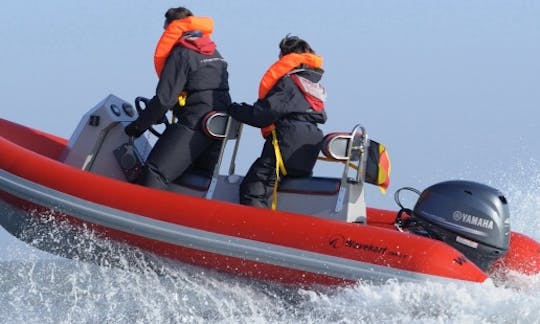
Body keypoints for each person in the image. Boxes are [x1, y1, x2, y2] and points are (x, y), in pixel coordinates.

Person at [125, 7, 231, 190]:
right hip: (218, 124)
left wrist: (136, 127)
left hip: (195, 123)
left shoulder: (182, 53)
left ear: (171, 29)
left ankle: (135, 215)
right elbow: (198, 88)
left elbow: (164, 99)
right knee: (192, 181)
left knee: (154, 172)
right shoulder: (212, 52)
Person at [226, 35, 327, 209]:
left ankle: (254, 231)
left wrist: (233, 109)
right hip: (310, 144)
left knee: (254, 189)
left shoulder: (289, 82)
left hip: (287, 141)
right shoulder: (312, 85)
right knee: (288, 191)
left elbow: (262, 115)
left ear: (287, 57)